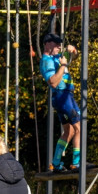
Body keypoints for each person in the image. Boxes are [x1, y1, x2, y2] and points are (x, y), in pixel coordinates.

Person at [40, 33, 81, 171]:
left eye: (60, 44)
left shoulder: (57, 56)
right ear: (47, 44)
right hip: (62, 97)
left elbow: (74, 57)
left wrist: (73, 50)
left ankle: (56, 163)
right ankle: (76, 162)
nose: (59, 46)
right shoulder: (46, 61)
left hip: (66, 96)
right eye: (56, 44)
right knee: (79, 128)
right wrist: (63, 66)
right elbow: (52, 82)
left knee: (68, 132)